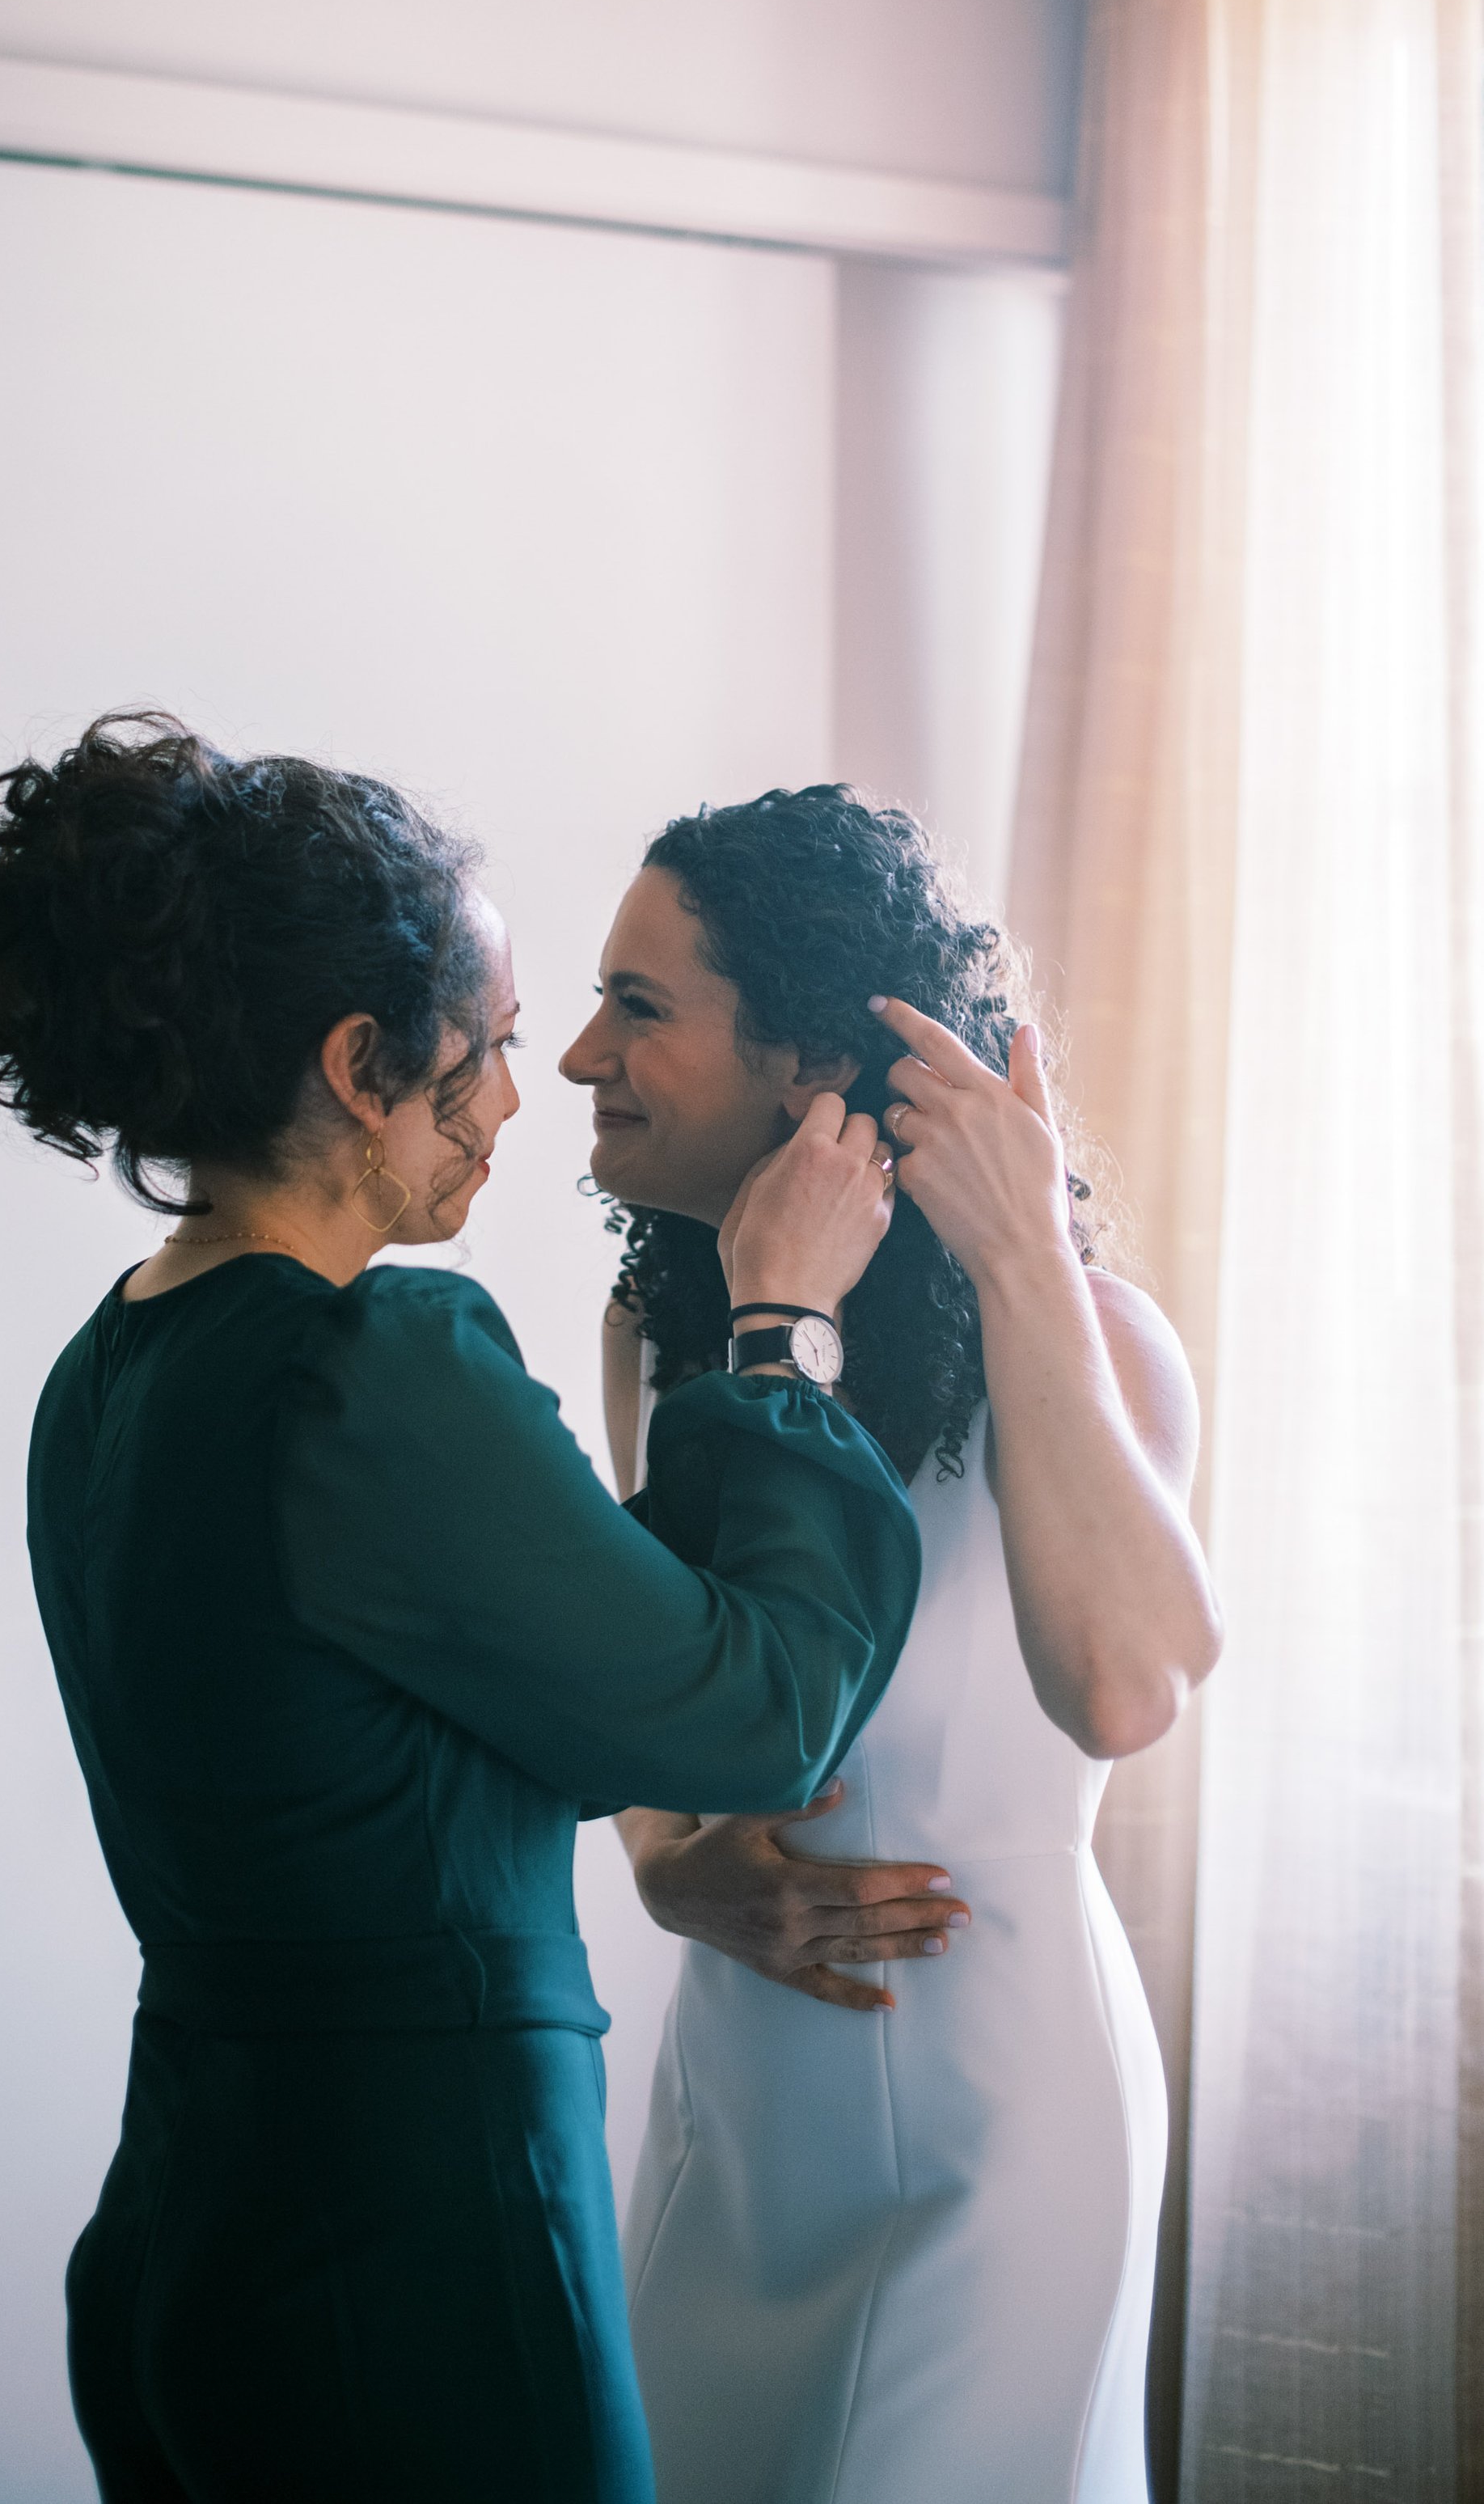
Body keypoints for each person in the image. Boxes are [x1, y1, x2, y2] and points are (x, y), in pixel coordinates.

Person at [0, 715, 924, 2504]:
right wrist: (779, 1328)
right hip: (412, 2238)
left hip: (197, 2207)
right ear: (358, 1062)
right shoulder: (371, 1360)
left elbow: (472, 1681)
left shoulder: (116, 1363)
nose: (522, 1092)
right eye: (482, 1049)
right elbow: (756, 1712)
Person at [560, 785, 1221, 2504]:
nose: (575, 1055)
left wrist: (1017, 1263)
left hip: (996, 2120)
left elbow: (1127, 1685)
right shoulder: (659, 1329)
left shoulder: (1091, 1337)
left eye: (636, 1009)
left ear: (801, 1066)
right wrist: (663, 1870)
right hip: (740, 2096)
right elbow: (666, 1694)